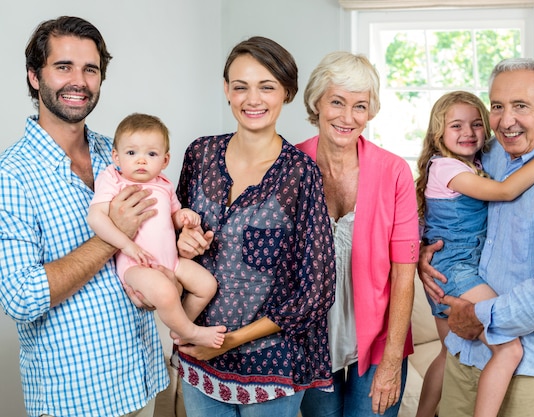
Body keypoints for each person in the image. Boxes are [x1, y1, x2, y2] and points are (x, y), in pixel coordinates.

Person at [0, 16, 169, 417]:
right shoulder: (11, 175)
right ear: (33, 77)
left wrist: (182, 236)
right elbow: (21, 297)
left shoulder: (119, 152)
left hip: (141, 376)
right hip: (77, 397)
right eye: (63, 67)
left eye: (90, 69)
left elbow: (154, 233)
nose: (78, 81)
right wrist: (113, 235)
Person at [418, 58, 534, 417]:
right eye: (497, 107)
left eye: (521, 106)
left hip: (524, 367)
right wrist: (426, 250)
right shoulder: (491, 156)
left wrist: (480, 316)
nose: (505, 120)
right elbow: (443, 204)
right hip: (464, 352)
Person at [172, 36, 336, 417]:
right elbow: (163, 236)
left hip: (273, 363)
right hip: (200, 358)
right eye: (240, 86)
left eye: (267, 87)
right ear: (226, 90)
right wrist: (181, 240)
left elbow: (318, 290)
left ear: (287, 93)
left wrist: (232, 340)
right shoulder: (200, 154)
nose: (252, 99)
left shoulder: (300, 174)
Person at [297, 51, 420, 417]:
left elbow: (403, 274)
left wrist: (392, 359)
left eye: (360, 106)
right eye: (337, 102)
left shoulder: (394, 172)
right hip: (311, 342)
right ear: (316, 102)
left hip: (380, 341)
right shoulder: (289, 164)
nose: (348, 117)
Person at [88, 113, 226, 348]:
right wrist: (126, 245)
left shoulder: (164, 184)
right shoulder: (113, 178)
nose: (141, 161)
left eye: (151, 154)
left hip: (170, 260)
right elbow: (95, 218)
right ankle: (192, 331)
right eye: (132, 153)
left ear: (164, 160)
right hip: (135, 264)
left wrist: (183, 217)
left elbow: (171, 218)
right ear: (116, 157)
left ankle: (181, 328)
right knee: (165, 290)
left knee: (207, 285)